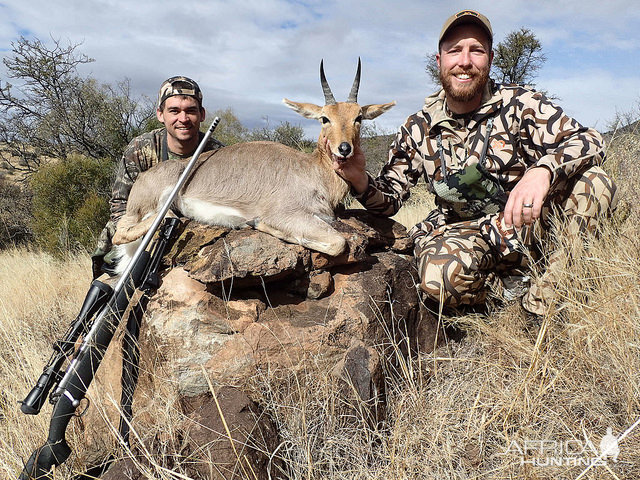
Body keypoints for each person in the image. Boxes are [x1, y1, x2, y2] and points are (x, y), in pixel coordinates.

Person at [334, 10, 617, 317]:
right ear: (440, 60)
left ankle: (542, 305)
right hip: (466, 235)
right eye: (454, 50)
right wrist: (360, 180)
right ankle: (504, 299)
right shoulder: (417, 126)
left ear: (491, 59)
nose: (465, 61)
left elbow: (590, 140)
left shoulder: (521, 104)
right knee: (438, 278)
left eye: (476, 50)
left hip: (529, 226)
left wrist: (542, 170)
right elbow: (389, 200)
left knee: (596, 183)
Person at [92, 76, 224, 277]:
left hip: (191, 233)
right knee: (110, 284)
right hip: (142, 232)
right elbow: (120, 205)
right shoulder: (140, 149)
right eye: (174, 111)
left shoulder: (218, 155)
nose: (183, 119)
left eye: (190, 110)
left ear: (202, 114)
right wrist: (145, 230)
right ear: (160, 114)